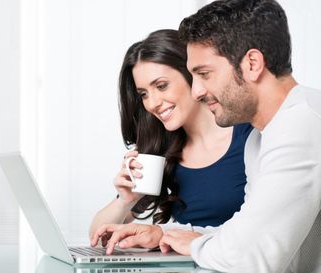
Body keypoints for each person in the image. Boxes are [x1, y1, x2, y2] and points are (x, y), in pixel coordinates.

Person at [93, 0, 321, 272]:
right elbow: (243, 237)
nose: (197, 91)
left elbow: (250, 256)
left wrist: (184, 241)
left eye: (204, 74)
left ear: (252, 63)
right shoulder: (260, 138)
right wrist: (164, 235)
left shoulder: (302, 123)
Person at [89, 29, 252, 250]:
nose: (153, 103)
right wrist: (126, 200)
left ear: (191, 75)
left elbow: (263, 233)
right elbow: (97, 240)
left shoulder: (250, 136)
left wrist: (165, 234)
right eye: (143, 94)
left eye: (161, 85)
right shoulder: (162, 152)